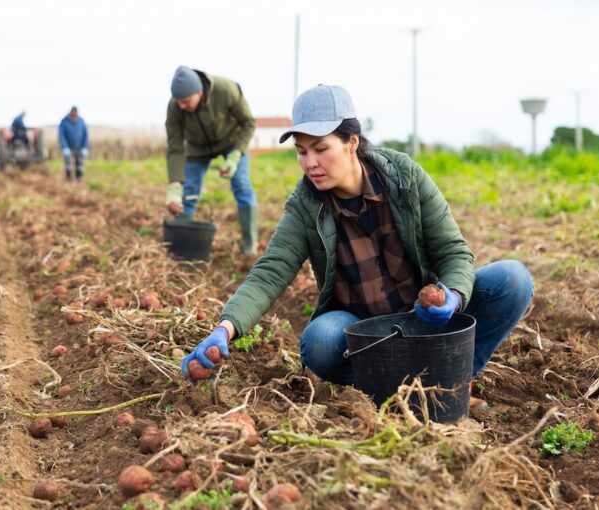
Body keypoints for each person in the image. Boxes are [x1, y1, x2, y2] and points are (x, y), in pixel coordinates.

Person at [181, 85, 534, 409]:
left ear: (352, 142)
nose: (310, 163)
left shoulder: (405, 177)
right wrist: (226, 327)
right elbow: (271, 271)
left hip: (425, 321)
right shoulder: (305, 205)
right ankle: (392, 391)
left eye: (321, 148)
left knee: (513, 280)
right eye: (301, 152)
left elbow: (454, 253)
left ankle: (453, 382)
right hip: (365, 335)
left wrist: (454, 295)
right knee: (320, 340)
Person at [165, 65, 258, 255]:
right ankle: (183, 248)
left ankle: (250, 246)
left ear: (199, 92)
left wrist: (235, 156)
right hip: (197, 147)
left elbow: (249, 122)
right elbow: (175, 146)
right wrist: (175, 185)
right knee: (188, 192)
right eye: (178, 101)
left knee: (241, 184)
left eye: (186, 101)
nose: (182, 105)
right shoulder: (175, 107)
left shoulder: (226, 90)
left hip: (231, 141)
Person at [58, 106, 89, 182]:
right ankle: (68, 178)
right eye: (73, 114)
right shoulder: (64, 121)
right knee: (68, 164)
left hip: (79, 147)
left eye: (76, 114)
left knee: (80, 164)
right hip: (68, 147)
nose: (74, 116)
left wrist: (85, 147)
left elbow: (86, 135)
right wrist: (65, 147)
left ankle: (79, 179)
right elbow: (61, 135)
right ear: (70, 112)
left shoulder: (81, 121)